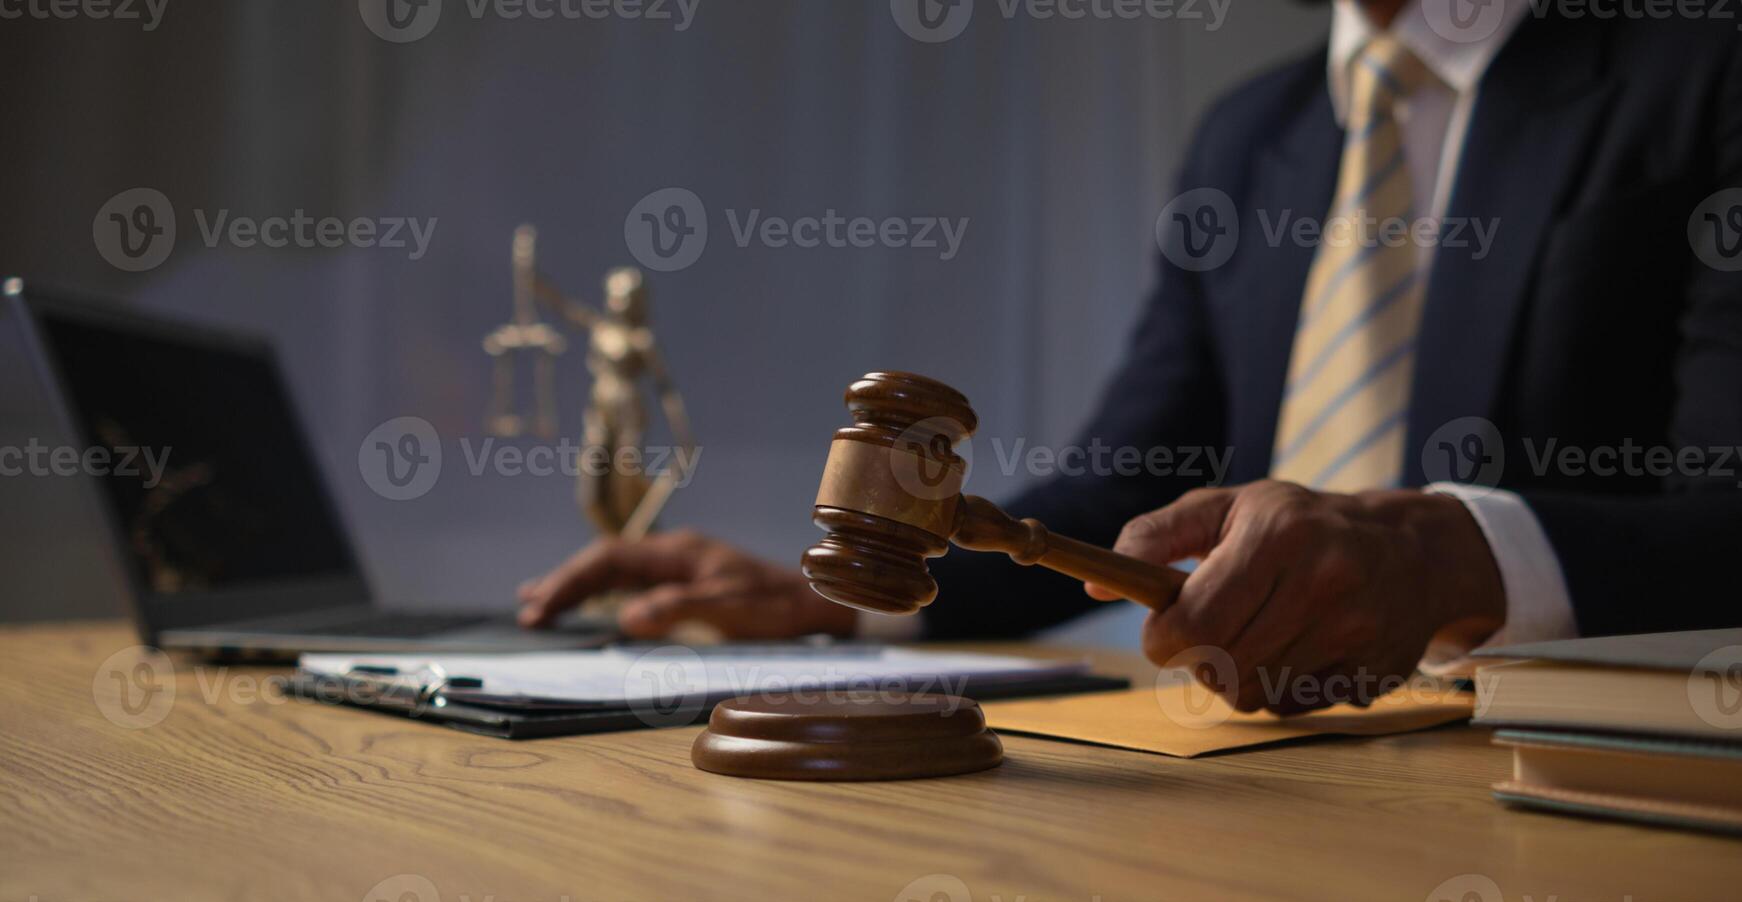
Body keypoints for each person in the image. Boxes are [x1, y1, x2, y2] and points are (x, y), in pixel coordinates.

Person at [519, 0, 1742, 713]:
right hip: (1261, 772)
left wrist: (1437, 551)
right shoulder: (1247, 136)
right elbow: (1122, 493)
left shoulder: (1707, 67)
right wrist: (849, 599)